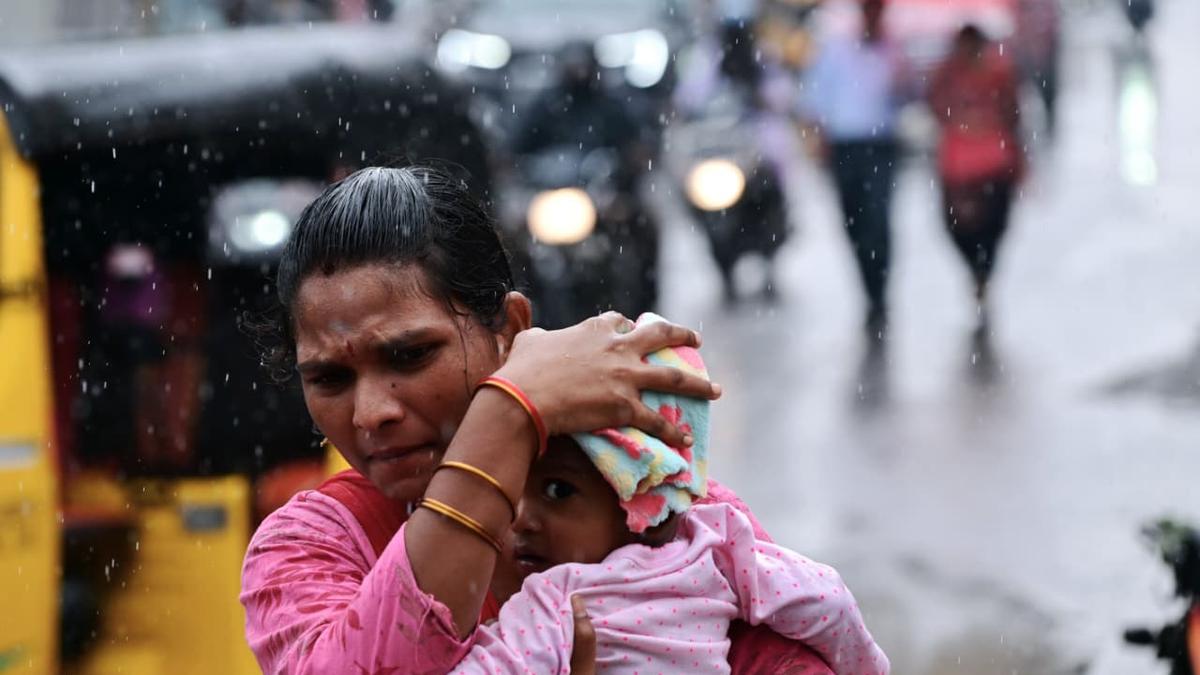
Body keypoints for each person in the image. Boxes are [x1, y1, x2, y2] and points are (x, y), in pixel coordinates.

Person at [239, 166, 836, 673]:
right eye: (329, 379)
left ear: (510, 331)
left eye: (410, 355)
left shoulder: (642, 501)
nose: (372, 413)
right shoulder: (312, 547)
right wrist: (506, 411)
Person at [456, 324, 888, 673]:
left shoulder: (555, 600)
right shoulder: (713, 549)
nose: (520, 518)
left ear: (637, 503)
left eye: (558, 491)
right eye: (515, 486)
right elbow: (827, 601)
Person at [800, 0, 907, 339]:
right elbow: (815, 99)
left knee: (878, 221)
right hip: (845, 149)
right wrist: (817, 141)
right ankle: (869, 287)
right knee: (854, 221)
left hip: (880, 147)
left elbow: (907, 97)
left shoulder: (893, 49)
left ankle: (879, 291)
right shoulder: (836, 49)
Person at [927, 25, 1024, 335]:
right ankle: (977, 274)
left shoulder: (1000, 71)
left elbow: (1014, 113)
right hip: (958, 168)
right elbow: (935, 105)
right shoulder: (947, 74)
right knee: (959, 229)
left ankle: (983, 275)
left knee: (993, 228)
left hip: (993, 166)